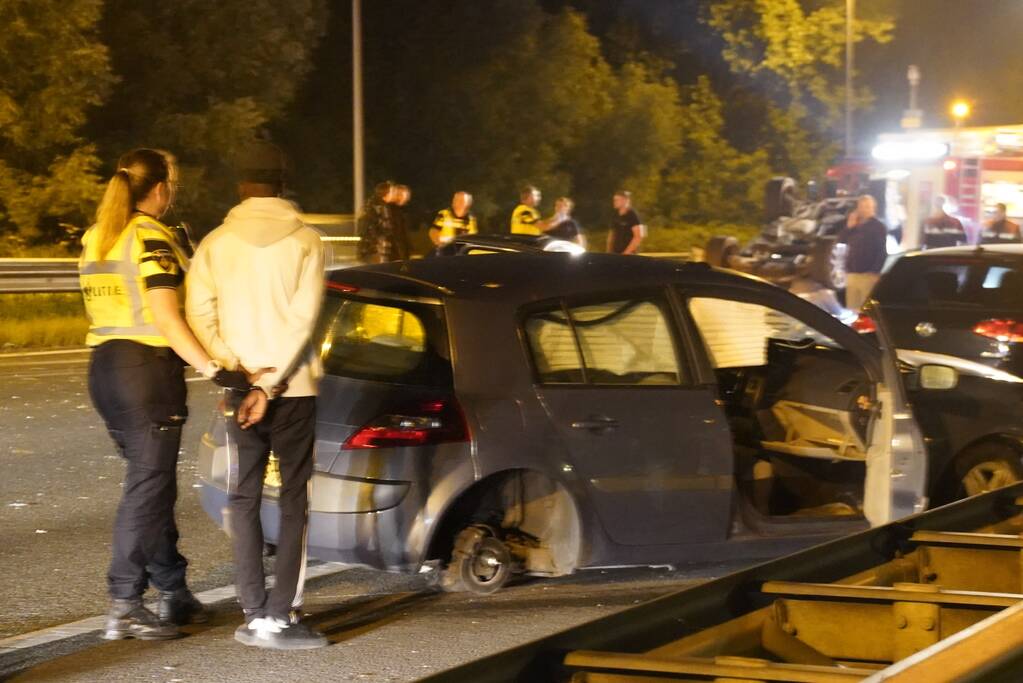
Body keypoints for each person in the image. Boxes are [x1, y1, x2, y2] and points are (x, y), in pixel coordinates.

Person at [80, 148, 257, 641]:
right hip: (146, 371)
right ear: (160, 189)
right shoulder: (149, 236)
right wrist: (214, 369)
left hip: (106, 370)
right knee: (148, 485)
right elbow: (165, 314)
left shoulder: (99, 234)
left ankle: (173, 591)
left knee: (150, 482)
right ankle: (124, 602)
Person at [186, 139, 328, 650]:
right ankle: (281, 615)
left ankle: (252, 611)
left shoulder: (215, 243)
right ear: (283, 183)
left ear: (241, 185)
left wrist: (239, 374)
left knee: (244, 496)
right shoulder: (308, 240)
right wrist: (270, 384)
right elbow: (303, 318)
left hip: (239, 388)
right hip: (295, 389)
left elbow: (199, 315)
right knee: (293, 500)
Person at [838, 195, 888, 311]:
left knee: (865, 311)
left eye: (867, 207)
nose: (864, 209)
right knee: (852, 309)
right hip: (852, 273)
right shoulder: (854, 225)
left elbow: (882, 251)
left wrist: (875, 271)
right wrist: (849, 227)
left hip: (868, 274)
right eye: (861, 206)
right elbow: (841, 241)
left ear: (873, 208)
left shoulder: (878, 226)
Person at [356, 181, 397, 263]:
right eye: (392, 192)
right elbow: (369, 229)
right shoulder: (374, 208)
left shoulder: (383, 206)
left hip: (379, 250)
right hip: (373, 251)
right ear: (385, 194)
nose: (394, 194)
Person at [607, 190, 644, 254]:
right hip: (615, 253)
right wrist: (609, 250)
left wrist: (626, 253)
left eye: (617, 200)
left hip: (629, 255)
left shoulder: (633, 215)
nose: (614, 202)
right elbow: (612, 233)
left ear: (625, 200)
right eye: (614, 200)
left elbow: (639, 236)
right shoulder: (615, 214)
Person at [390, 183, 414, 260]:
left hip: (401, 249)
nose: (407, 199)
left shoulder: (403, 211)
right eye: (405, 196)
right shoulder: (391, 211)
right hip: (395, 250)